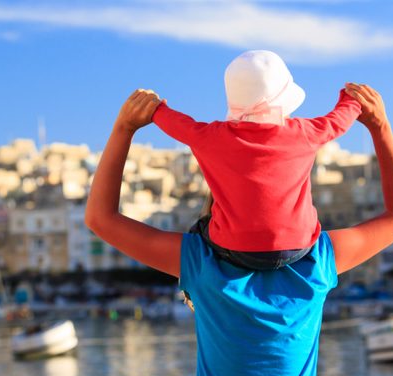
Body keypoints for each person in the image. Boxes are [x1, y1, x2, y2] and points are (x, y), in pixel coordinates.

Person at [85, 84, 393, 376]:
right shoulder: (317, 262)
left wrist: (124, 128)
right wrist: (379, 126)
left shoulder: (198, 263)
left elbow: (100, 218)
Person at [152, 50, 361, 270]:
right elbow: (338, 121)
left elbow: (179, 125)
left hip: (234, 249)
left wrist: (156, 109)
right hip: (297, 247)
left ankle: (198, 283)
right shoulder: (304, 132)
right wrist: (351, 99)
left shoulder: (211, 137)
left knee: (199, 229)